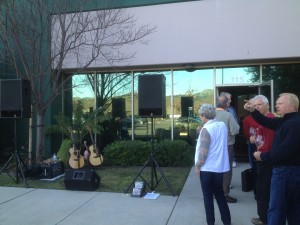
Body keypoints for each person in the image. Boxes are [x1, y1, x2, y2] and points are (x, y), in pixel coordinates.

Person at [244, 93, 300, 225]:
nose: (276, 105)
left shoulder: (293, 124)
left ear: (291, 106)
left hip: (285, 172)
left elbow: (284, 151)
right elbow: (266, 121)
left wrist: (262, 156)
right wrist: (253, 110)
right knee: (293, 210)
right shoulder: (285, 120)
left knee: (276, 210)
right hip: (289, 172)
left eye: (280, 103)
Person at [195, 103, 231, 225]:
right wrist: (202, 130)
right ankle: (227, 221)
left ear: (204, 115)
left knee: (208, 197)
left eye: (200, 115)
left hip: (207, 168)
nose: (200, 117)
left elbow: (203, 151)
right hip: (219, 168)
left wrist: (198, 166)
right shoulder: (222, 125)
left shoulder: (207, 129)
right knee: (220, 195)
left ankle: (210, 222)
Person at [244, 95, 275, 225]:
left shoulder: (271, 120)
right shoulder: (263, 119)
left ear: (267, 105)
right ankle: (263, 217)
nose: (256, 108)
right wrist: (253, 139)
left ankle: (265, 219)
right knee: (261, 190)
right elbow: (261, 138)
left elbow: (270, 142)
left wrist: (261, 155)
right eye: (255, 106)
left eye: (259, 105)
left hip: (266, 160)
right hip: (260, 157)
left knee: (264, 191)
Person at [215, 95, 240, 203]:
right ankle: (224, 194)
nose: (229, 103)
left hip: (213, 147)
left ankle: (215, 192)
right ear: (226, 104)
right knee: (226, 170)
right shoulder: (228, 115)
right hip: (226, 146)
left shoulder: (210, 115)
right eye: (228, 102)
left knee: (215, 169)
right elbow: (235, 130)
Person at [220, 92, 238, 168]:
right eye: (229, 99)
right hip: (220, 141)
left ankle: (233, 160)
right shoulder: (214, 112)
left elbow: (235, 123)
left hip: (229, 139)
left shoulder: (232, 110)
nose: (230, 101)